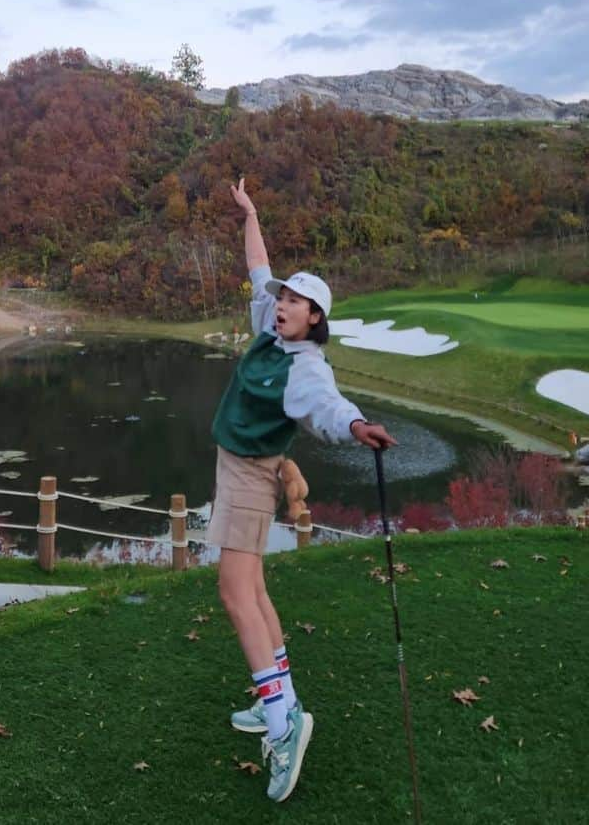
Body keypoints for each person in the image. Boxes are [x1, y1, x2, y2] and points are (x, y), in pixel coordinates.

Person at [207, 177, 397, 804]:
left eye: (295, 301)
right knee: (254, 587)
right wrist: (252, 212)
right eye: (283, 295)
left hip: (250, 473)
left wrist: (360, 426)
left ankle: (285, 727)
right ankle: (278, 698)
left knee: (235, 592)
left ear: (315, 319)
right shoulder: (269, 324)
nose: (281, 301)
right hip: (240, 464)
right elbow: (257, 264)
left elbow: (328, 407)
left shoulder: (305, 364)